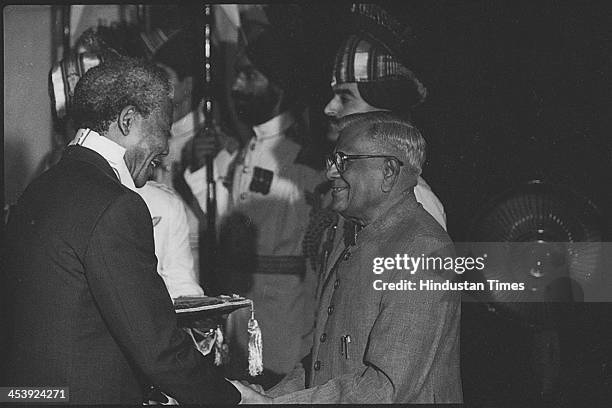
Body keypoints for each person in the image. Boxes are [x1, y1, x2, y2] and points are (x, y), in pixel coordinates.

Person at [3, 56, 239, 404]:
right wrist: (231, 397)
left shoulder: (40, 188)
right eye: (163, 130)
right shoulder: (116, 204)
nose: (166, 148)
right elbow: (157, 349)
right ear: (128, 120)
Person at [231, 111, 462, 403]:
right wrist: (267, 397)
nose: (330, 172)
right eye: (332, 160)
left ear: (389, 171)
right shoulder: (348, 236)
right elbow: (322, 360)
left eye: (345, 161)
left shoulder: (423, 249)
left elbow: (386, 389)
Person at [185, 22, 325, 384]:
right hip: (243, 323)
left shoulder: (301, 159)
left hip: (284, 333)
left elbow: (316, 258)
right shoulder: (249, 149)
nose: (236, 86)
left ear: (280, 85)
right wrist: (202, 169)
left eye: (250, 76)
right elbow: (229, 225)